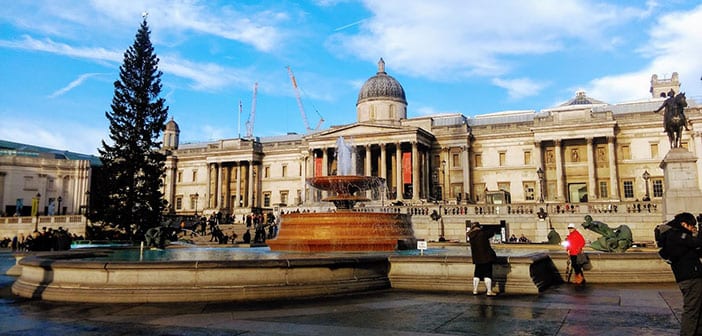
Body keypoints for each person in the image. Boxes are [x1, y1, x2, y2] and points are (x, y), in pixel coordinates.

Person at [662, 212, 702, 336]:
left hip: (692, 276)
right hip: (690, 278)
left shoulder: (678, 236)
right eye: (691, 226)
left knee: (698, 308)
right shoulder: (676, 235)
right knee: (692, 309)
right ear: (684, 224)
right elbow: (697, 242)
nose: (692, 229)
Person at [467, 223, 497, 296]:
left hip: (477, 257)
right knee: (487, 273)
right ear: (478, 227)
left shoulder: (471, 236)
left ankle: (475, 290)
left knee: (477, 274)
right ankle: (489, 291)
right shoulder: (482, 233)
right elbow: (491, 233)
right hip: (486, 257)